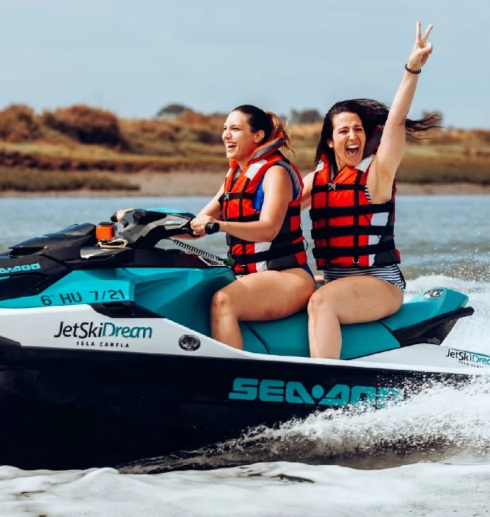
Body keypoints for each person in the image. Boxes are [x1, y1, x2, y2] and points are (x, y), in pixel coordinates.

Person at [117, 105, 315, 349]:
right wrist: (144, 219)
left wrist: (220, 225)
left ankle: (229, 378)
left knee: (224, 301)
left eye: (235, 129)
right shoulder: (234, 177)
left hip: (288, 277)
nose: (226, 135)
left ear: (257, 136)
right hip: (250, 274)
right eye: (224, 129)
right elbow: (196, 227)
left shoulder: (275, 173)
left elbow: (269, 229)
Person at [300, 22, 441, 359]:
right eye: (344, 131)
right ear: (330, 139)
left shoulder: (374, 177)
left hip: (380, 284)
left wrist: (413, 69)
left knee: (321, 301)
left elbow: (395, 122)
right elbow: (275, 212)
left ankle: (322, 380)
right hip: (335, 278)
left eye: (358, 130)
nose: (353, 136)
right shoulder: (316, 179)